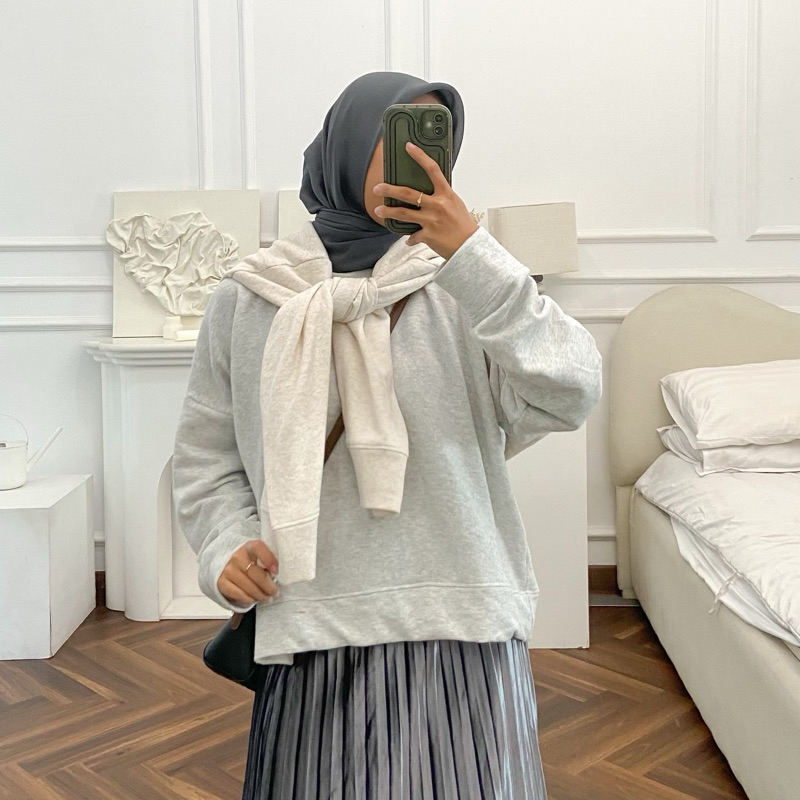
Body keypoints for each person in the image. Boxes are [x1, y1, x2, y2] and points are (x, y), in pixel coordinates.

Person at [172, 71, 602, 799]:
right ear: (345, 146)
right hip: (311, 619)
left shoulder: (468, 286)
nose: (419, 159)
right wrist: (225, 544)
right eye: (397, 135)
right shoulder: (248, 299)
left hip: (458, 617)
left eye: (436, 141)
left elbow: (571, 390)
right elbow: (205, 457)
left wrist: (477, 261)